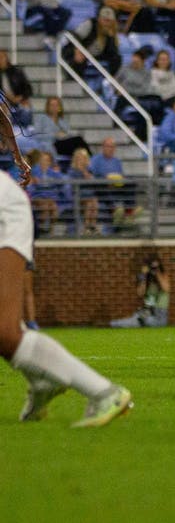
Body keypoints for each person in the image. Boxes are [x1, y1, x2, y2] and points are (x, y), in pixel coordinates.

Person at [0, 95, 132, 426]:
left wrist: (17, 156)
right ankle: (43, 381)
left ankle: (105, 392)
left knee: (5, 331)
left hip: (3, 208)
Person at [110, 255, 170, 328]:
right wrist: (144, 276)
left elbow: (166, 288)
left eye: (155, 267)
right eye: (152, 267)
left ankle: (137, 319)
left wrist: (157, 272)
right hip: (148, 310)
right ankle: (114, 323)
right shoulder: (147, 280)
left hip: (159, 313)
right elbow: (140, 293)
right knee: (136, 319)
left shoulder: (163, 276)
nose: (153, 269)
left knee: (146, 320)